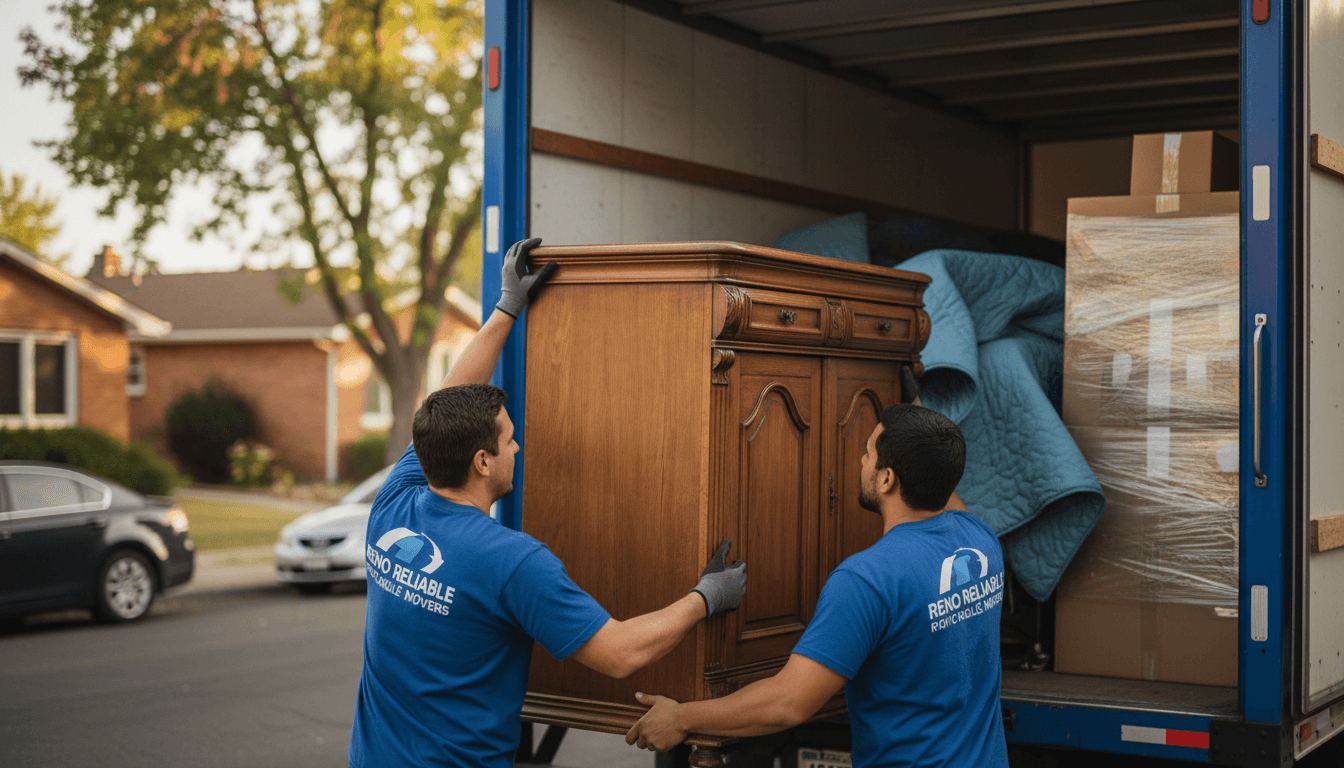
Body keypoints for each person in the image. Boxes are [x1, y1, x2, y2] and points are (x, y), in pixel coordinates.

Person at [349, 238, 748, 768]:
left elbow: (445, 401)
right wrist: (706, 597)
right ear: (482, 462)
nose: (518, 447)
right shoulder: (511, 561)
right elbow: (619, 653)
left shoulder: (393, 504)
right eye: (509, 439)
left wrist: (506, 308)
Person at [625, 403, 1008, 768]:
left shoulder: (867, 580)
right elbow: (941, 479)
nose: (861, 460)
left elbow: (788, 702)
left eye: (868, 453)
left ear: (887, 478)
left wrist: (681, 718)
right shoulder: (981, 541)